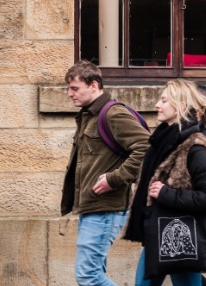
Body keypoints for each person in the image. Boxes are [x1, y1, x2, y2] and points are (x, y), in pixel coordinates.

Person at [124, 79, 206, 286]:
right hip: (157, 233)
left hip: (180, 236)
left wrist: (165, 194)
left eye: (163, 100)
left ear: (180, 106)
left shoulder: (194, 147)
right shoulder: (161, 142)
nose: (157, 105)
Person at [61, 60, 151, 286]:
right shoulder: (88, 115)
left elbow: (146, 147)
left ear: (93, 85)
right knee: (94, 272)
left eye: (75, 88)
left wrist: (114, 178)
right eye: (68, 88)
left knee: (88, 275)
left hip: (105, 208)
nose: (69, 94)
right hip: (93, 207)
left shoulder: (112, 114)